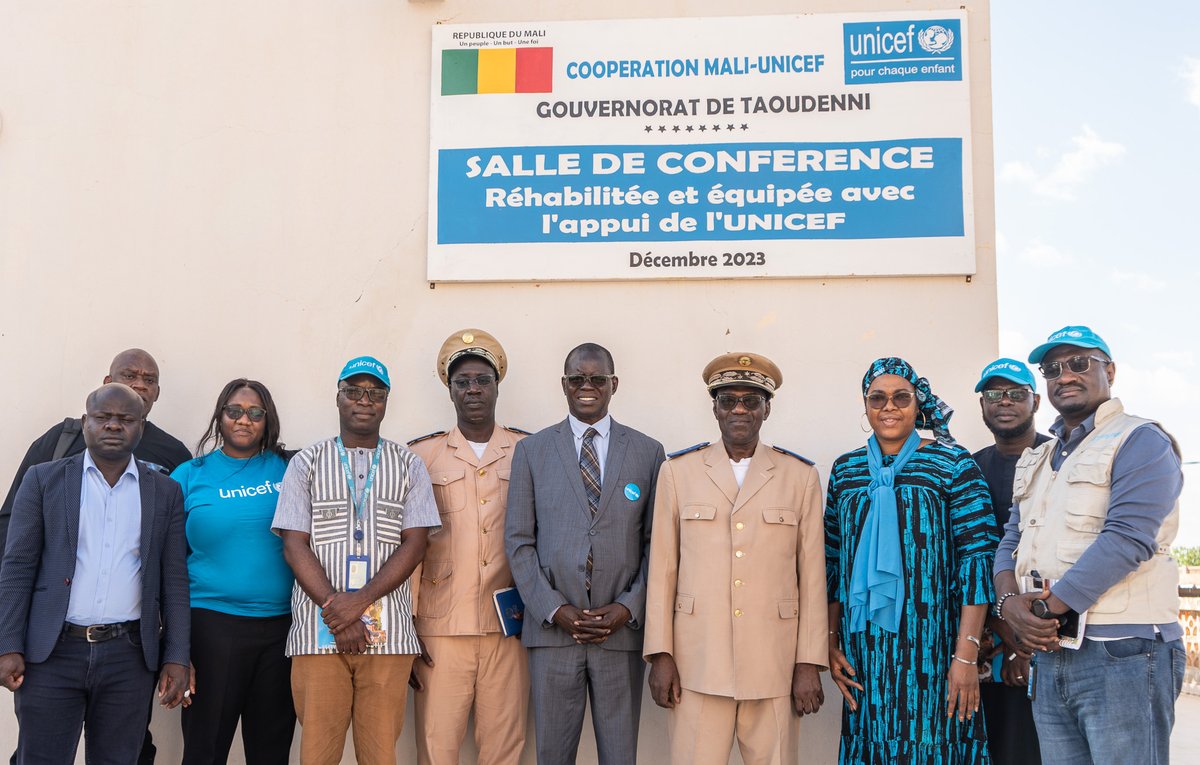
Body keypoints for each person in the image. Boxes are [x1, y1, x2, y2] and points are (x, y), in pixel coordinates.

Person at [993, 326, 1185, 764]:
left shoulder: (1140, 440)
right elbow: (1012, 539)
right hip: (1052, 653)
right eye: (1053, 368)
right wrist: (1008, 603)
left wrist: (1042, 610)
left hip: (1124, 655)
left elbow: (1127, 539)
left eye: (1080, 363)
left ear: (1110, 371)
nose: (1065, 376)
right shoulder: (1039, 458)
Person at [644, 352, 827, 765]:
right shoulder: (679, 472)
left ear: (767, 408)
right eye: (728, 400)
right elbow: (662, 570)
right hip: (697, 664)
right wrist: (660, 654)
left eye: (751, 400)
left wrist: (807, 663)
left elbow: (813, 577)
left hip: (775, 665)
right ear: (714, 408)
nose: (739, 409)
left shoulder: (799, 476)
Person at [0, 383, 190, 764]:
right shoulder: (43, 480)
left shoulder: (165, 491)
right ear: (86, 423)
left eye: (125, 419)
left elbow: (174, 579)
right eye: (103, 418)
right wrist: (8, 644)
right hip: (51, 654)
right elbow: (17, 567)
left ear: (141, 426)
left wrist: (177, 655)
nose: (114, 426)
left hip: (129, 657)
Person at [825, 357, 998, 763]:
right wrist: (830, 643)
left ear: (918, 404)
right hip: (863, 651)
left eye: (901, 397)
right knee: (871, 741)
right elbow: (832, 561)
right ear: (865, 407)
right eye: (877, 398)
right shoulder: (846, 471)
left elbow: (978, 560)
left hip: (934, 648)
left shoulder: (954, 464)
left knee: (935, 742)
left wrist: (966, 654)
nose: (889, 407)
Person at [272, 356, 441, 765]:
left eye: (375, 392)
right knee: (317, 754)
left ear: (385, 401)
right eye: (353, 391)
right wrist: (338, 609)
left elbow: (416, 544)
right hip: (317, 633)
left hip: (390, 637)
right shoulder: (306, 463)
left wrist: (357, 602)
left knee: (380, 754)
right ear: (338, 398)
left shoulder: (409, 464)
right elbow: (294, 545)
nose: (364, 400)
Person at [504, 342, 665, 765]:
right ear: (564, 385)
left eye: (597, 379)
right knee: (553, 756)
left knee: (619, 756)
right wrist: (554, 609)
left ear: (614, 384)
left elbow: (658, 546)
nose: (587, 386)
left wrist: (627, 608)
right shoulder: (533, 451)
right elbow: (519, 542)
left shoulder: (648, 452)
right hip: (554, 635)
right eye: (577, 379)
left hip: (620, 635)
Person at [407, 329, 530, 765]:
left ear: (497, 386)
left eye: (482, 379)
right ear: (450, 389)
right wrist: (407, 628)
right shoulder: (422, 456)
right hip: (441, 628)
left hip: (510, 628)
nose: (473, 389)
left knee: (504, 748)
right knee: (437, 747)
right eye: (463, 382)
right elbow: (408, 547)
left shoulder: (528, 451)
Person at [171, 379, 296, 764]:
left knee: (271, 749)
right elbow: (168, 561)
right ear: (220, 416)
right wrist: (174, 645)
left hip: (282, 631)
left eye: (255, 412)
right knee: (205, 748)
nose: (245, 420)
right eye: (235, 411)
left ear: (267, 418)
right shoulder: (189, 474)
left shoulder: (292, 468)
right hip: (211, 628)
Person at [0, 349, 192, 570]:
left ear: (157, 392)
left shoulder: (173, 453)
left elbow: (180, 537)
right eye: (129, 375)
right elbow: (12, 517)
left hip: (136, 592)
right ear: (107, 382)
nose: (140, 385)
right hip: (54, 589)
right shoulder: (63, 438)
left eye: (149, 380)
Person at [971, 359, 1048, 765]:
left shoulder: (1059, 462)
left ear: (1034, 400)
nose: (1005, 402)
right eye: (994, 395)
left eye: (1016, 393)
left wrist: (1025, 644)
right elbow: (963, 557)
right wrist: (1001, 630)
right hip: (981, 641)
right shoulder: (968, 469)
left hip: (1047, 636)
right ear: (982, 405)